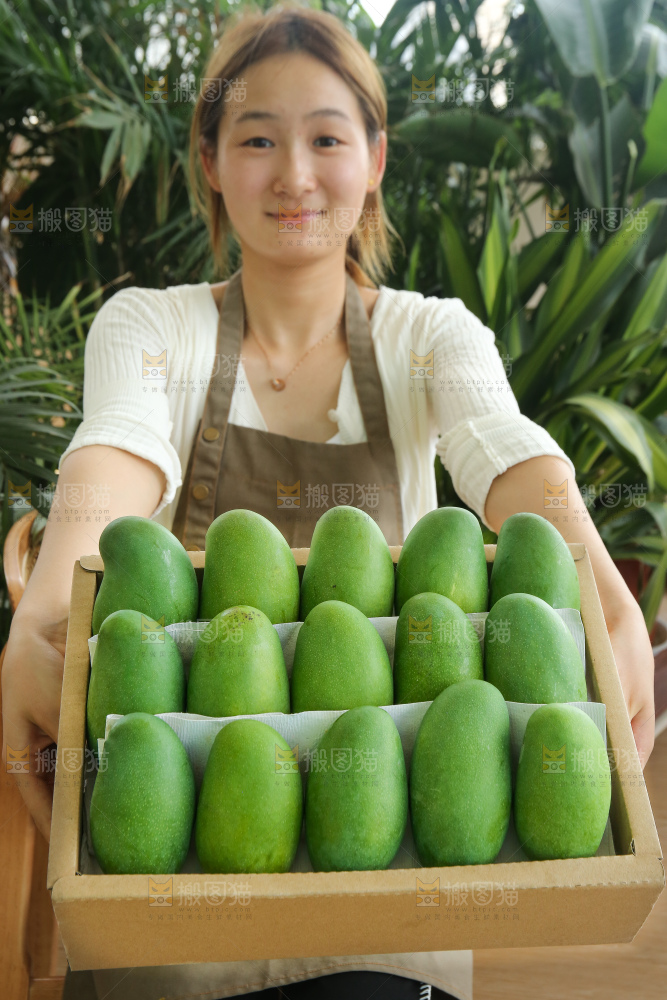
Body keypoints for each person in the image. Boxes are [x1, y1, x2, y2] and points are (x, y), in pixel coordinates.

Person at [2, 3, 655, 999]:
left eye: (326, 138)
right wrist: (49, 602)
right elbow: (115, 450)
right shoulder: (151, 326)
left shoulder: (429, 336)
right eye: (257, 139)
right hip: (180, 898)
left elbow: (505, 448)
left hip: (390, 896)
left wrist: (599, 585)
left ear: (375, 157)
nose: (294, 176)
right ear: (211, 160)